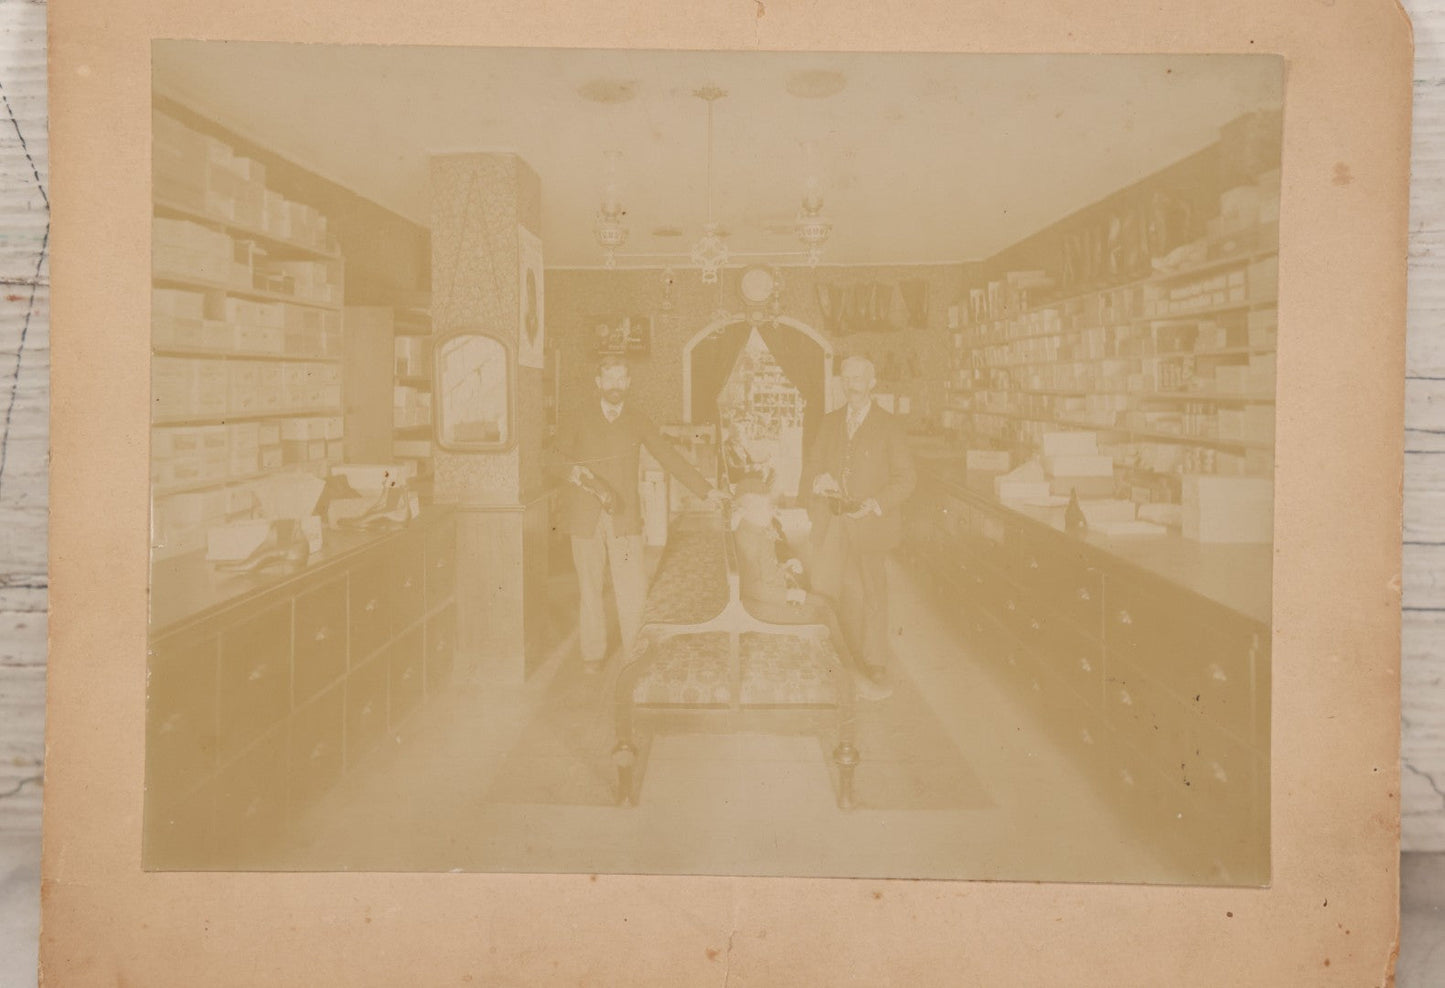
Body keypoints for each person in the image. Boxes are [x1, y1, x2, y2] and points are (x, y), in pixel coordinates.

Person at [549, 355, 726, 674]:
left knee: (632, 587)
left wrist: (706, 490)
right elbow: (550, 457)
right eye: (609, 378)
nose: (615, 385)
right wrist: (575, 474)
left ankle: (633, 653)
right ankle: (593, 654)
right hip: (584, 517)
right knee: (589, 589)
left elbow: (669, 456)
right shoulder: (577, 417)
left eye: (621, 378)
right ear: (598, 383)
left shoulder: (638, 419)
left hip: (624, 515)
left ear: (628, 383)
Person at [799, 355, 916, 684]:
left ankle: (874, 660)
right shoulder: (830, 421)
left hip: (871, 523)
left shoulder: (889, 425)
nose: (852, 384)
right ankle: (824, 655)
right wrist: (820, 478)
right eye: (846, 378)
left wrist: (876, 503)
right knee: (823, 586)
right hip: (833, 520)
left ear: (872, 382)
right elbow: (814, 463)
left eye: (858, 378)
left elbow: (907, 478)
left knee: (872, 592)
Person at [731, 479, 892, 701]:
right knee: (820, 613)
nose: (772, 510)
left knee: (825, 605)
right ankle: (853, 679)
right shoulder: (749, 537)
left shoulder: (754, 529)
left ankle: (851, 670)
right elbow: (753, 588)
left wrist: (784, 567)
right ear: (749, 511)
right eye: (767, 507)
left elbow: (764, 571)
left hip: (768, 599)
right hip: (759, 607)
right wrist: (789, 594)